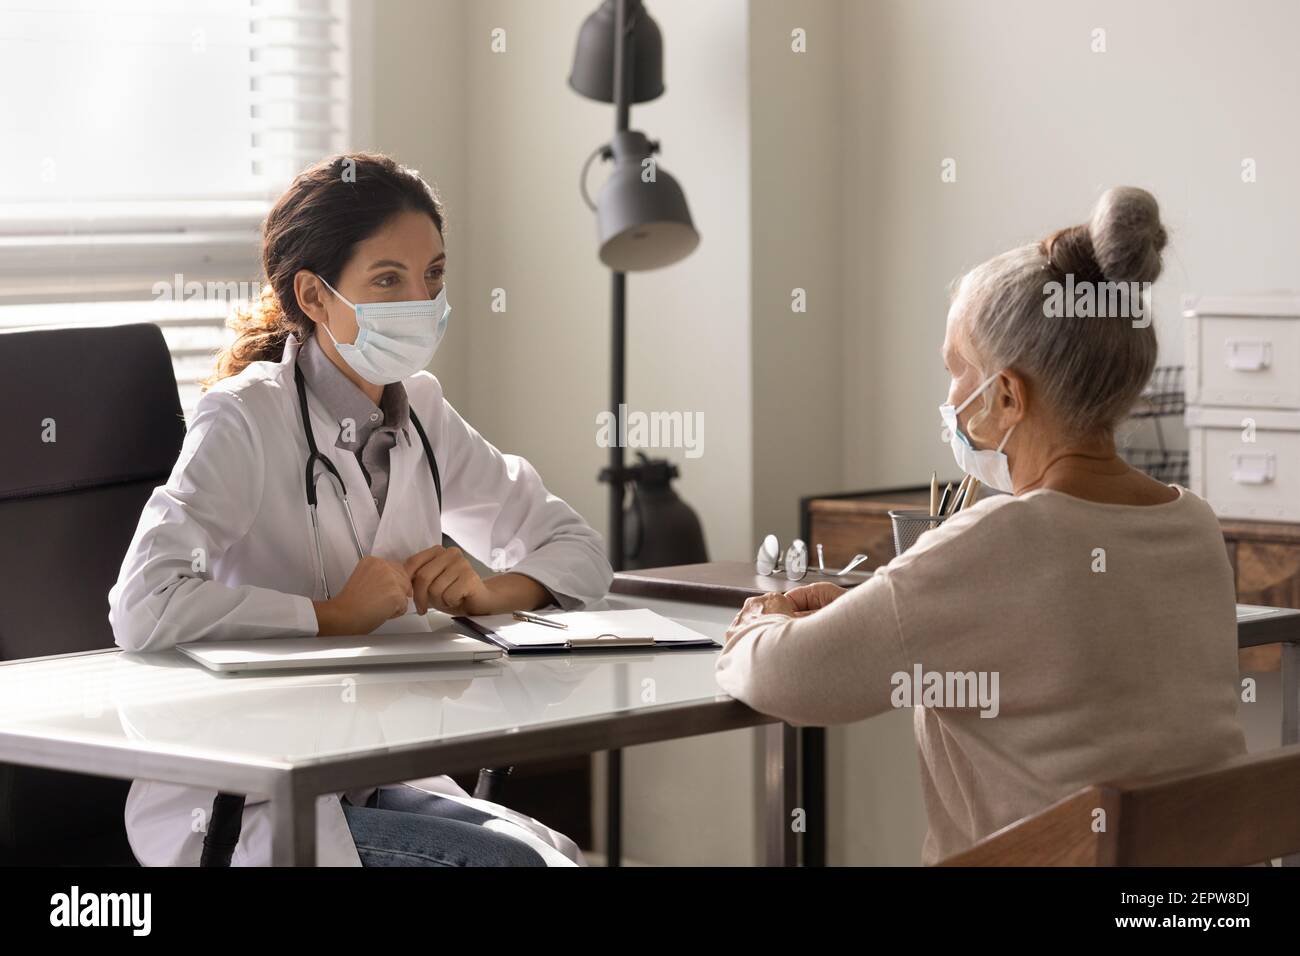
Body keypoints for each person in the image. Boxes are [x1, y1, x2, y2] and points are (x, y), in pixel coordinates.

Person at [716, 187, 1248, 864]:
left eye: (955, 371)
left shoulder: (1000, 539)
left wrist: (760, 619)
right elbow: (1048, 636)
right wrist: (876, 608)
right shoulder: (1194, 524)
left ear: (1006, 396)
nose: (948, 398)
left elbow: (787, 678)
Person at [109, 153, 612, 866]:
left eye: (433, 275)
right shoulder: (244, 419)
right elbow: (144, 605)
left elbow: (579, 551)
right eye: (387, 279)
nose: (421, 301)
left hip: (364, 774)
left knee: (554, 853)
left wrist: (489, 591)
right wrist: (330, 616)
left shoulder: (423, 411)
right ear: (314, 297)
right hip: (240, 797)